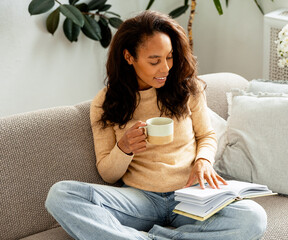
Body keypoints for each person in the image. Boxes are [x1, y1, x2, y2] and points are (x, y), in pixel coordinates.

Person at [45, 10, 267, 240]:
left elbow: (206, 136)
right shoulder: (105, 102)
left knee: (253, 217)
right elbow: (108, 174)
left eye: (169, 57)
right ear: (129, 57)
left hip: (190, 195)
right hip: (140, 199)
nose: (166, 68)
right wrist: (124, 148)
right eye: (154, 60)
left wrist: (203, 161)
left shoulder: (188, 88)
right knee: (61, 194)